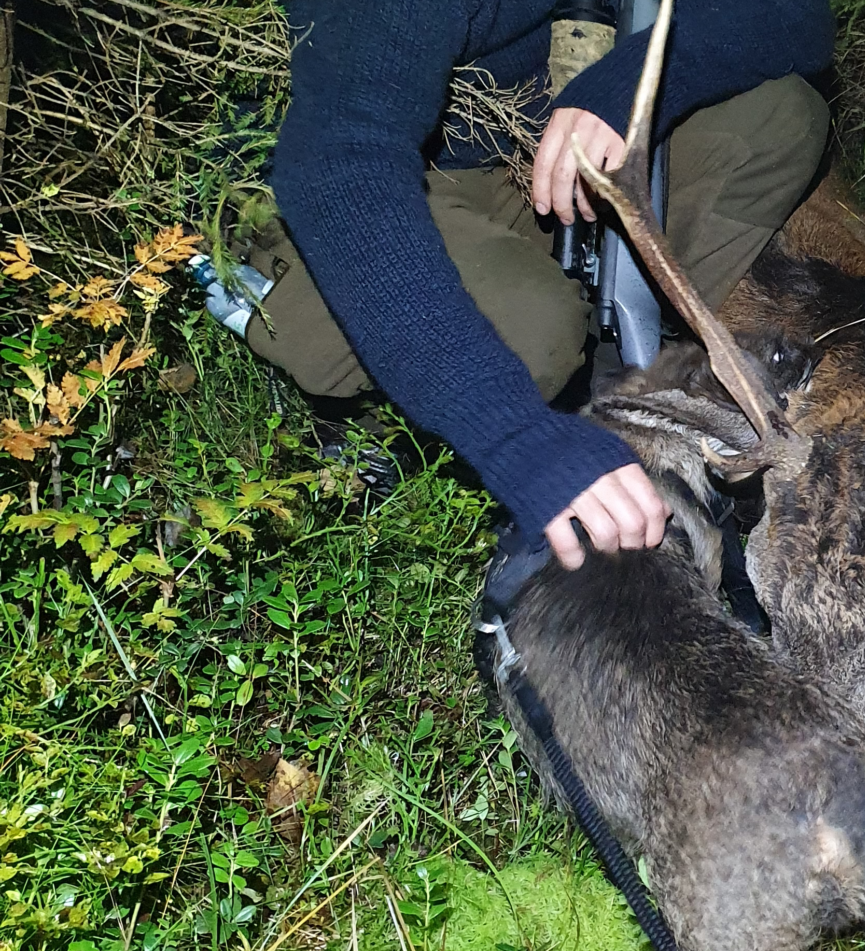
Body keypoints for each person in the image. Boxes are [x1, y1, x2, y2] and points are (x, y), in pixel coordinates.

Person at [256, 0, 832, 568]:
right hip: (322, 185)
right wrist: (517, 438)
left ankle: (627, 378)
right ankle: (386, 432)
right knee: (536, 333)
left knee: (779, 118)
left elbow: (795, 17)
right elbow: (338, 169)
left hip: (516, 146)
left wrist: (627, 83)